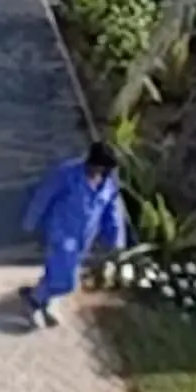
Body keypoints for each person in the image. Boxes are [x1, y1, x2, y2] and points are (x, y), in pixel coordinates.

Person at [21, 139, 132, 326]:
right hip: (61, 233)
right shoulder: (67, 174)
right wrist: (30, 221)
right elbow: (43, 196)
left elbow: (112, 211)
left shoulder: (108, 184)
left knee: (60, 270)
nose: (100, 173)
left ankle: (41, 296)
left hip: (84, 237)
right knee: (67, 278)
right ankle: (34, 300)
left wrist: (115, 241)